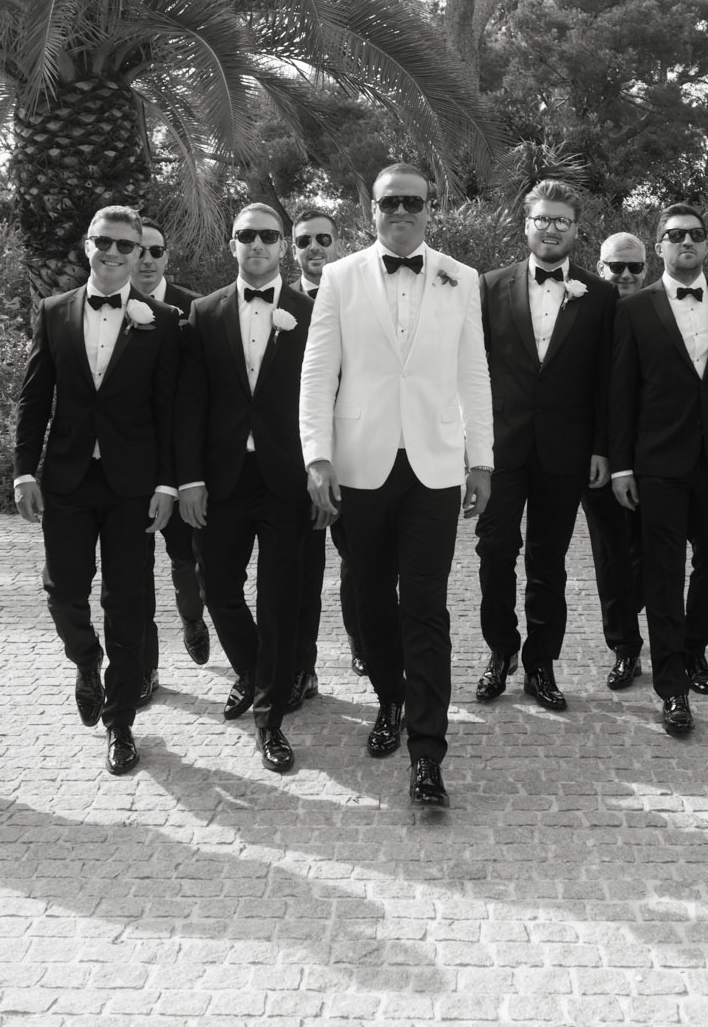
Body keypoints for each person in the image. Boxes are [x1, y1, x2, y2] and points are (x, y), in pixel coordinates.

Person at [299, 163, 493, 807]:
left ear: (429, 209)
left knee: (427, 607)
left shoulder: (461, 278)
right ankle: (389, 697)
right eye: (390, 202)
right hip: (359, 466)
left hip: (435, 469)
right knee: (369, 599)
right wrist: (318, 457)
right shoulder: (340, 276)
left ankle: (428, 753)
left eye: (413, 202)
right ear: (371, 208)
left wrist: (481, 460)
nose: (401, 211)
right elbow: (317, 373)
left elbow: (475, 376)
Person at [14, 207, 182, 777]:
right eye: (103, 242)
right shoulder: (54, 311)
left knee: (128, 602)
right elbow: (34, 398)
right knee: (63, 591)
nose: (113, 253)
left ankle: (120, 722)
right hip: (66, 479)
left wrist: (166, 483)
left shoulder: (161, 320)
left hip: (134, 487)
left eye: (125, 245)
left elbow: (169, 411)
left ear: (140, 254)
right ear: (87, 246)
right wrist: (23, 470)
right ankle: (86, 661)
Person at [608, 204, 708, 739]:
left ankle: (696, 647)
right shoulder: (634, 310)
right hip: (657, 464)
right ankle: (672, 686)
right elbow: (622, 397)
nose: (686, 243)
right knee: (661, 570)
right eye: (675, 236)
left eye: (696, 236)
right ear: (659, 247)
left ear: (707, 246)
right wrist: (622, 466)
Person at [175, 204, 315, 772]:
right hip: (222, 479)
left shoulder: (315, 310)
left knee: (279, 601)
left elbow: (331, 397)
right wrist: (188, 478)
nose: (256, 244)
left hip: (289, 479)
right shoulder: (203, 312)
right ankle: (262, 675)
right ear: (232, 245)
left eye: (267, 236)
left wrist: (324, 472)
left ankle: (269, 720)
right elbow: (190, 403)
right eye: (245, 236)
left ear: (283, 245)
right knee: (219, 592)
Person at [472, 180, 615, 712]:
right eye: (542, 219)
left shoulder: (598, 295)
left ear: (576, 230)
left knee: (548, 560)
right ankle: (500, 652)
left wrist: (601, 447)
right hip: (500, 449)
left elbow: (606, 379)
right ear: (525, 225)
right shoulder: (487, 287)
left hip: (567, 449)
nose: (551, 228)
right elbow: (473, 370)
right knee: (492, 554)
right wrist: (472, 449)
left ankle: (541, 663)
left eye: (562, 221)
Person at [132, 217, 210, 702]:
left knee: (186, 555)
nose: (145, 259)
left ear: (167, 257)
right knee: (132, 570)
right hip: (129, 461)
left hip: (181, 460)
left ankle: (192, 616)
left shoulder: (194, 309)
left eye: (154, 251)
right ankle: (145, 668)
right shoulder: (93, 304)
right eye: (135, 249)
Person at [286, 206, 359, 691]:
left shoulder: (357, 298)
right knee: (302, 573)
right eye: (304, 240)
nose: (315, 247)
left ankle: (363, 643)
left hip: (355, 455)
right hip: (297, 461)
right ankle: (303, 668)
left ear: (339, 243)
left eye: (324, 239)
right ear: (293, 250)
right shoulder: (278, 303)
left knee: (359, 562)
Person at [582, 231, 649, 690]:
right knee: (610, 554)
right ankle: (625, 646)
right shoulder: (586, 313)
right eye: (615, 267)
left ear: (647, 269)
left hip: (656, 453)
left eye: (634, 268)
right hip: (600, 455)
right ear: (600, 267)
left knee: (652, 551)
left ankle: (653, 620)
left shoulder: (662, 310)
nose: (625, 275)